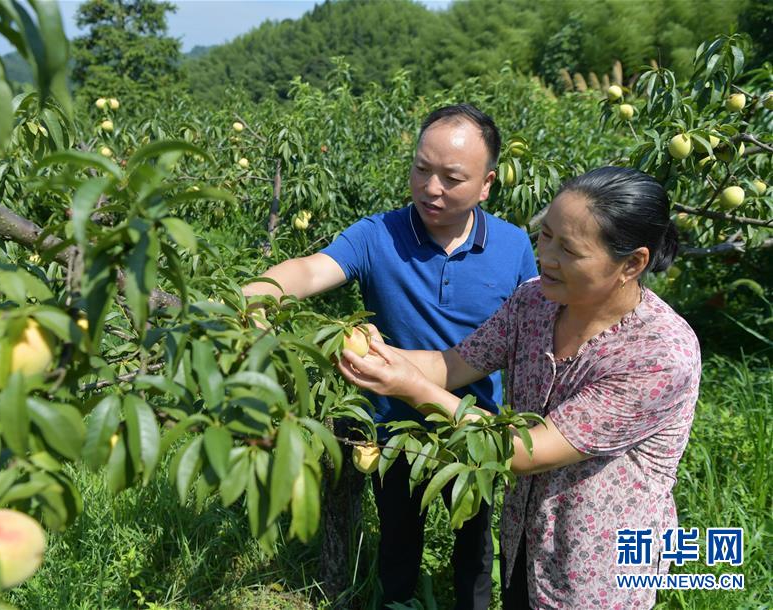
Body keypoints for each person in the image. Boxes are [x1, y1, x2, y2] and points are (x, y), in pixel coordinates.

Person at [337, 166, 701, 609]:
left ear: (632, 264)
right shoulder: (535, 301)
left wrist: (411, 388)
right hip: (524, 540)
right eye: (545, 236)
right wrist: (374, 354)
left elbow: (524, 452)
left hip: (596, 568)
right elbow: (453, 364)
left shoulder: (658, 355)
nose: (546, 256)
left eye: (569, 249)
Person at [243, 104, 538, 608]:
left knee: (474, 551)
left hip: (472, 425)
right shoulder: (378, 234)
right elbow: (311, 270)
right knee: (398, 543)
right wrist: (258, 294)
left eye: (452, 178)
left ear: (487, 184)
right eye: (421, 169)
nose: (431, 188)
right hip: (394, 429)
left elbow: (533, 330)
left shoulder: (513, 246)